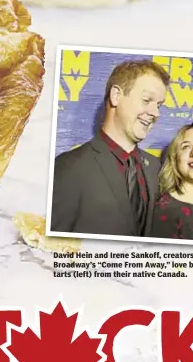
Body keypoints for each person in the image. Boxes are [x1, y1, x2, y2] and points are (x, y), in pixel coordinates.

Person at [51, 59, 169, 236]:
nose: (155, 113)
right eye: (146, 100)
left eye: (159, 105)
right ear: (116, 96)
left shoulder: (157, 169)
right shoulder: (68, 167)